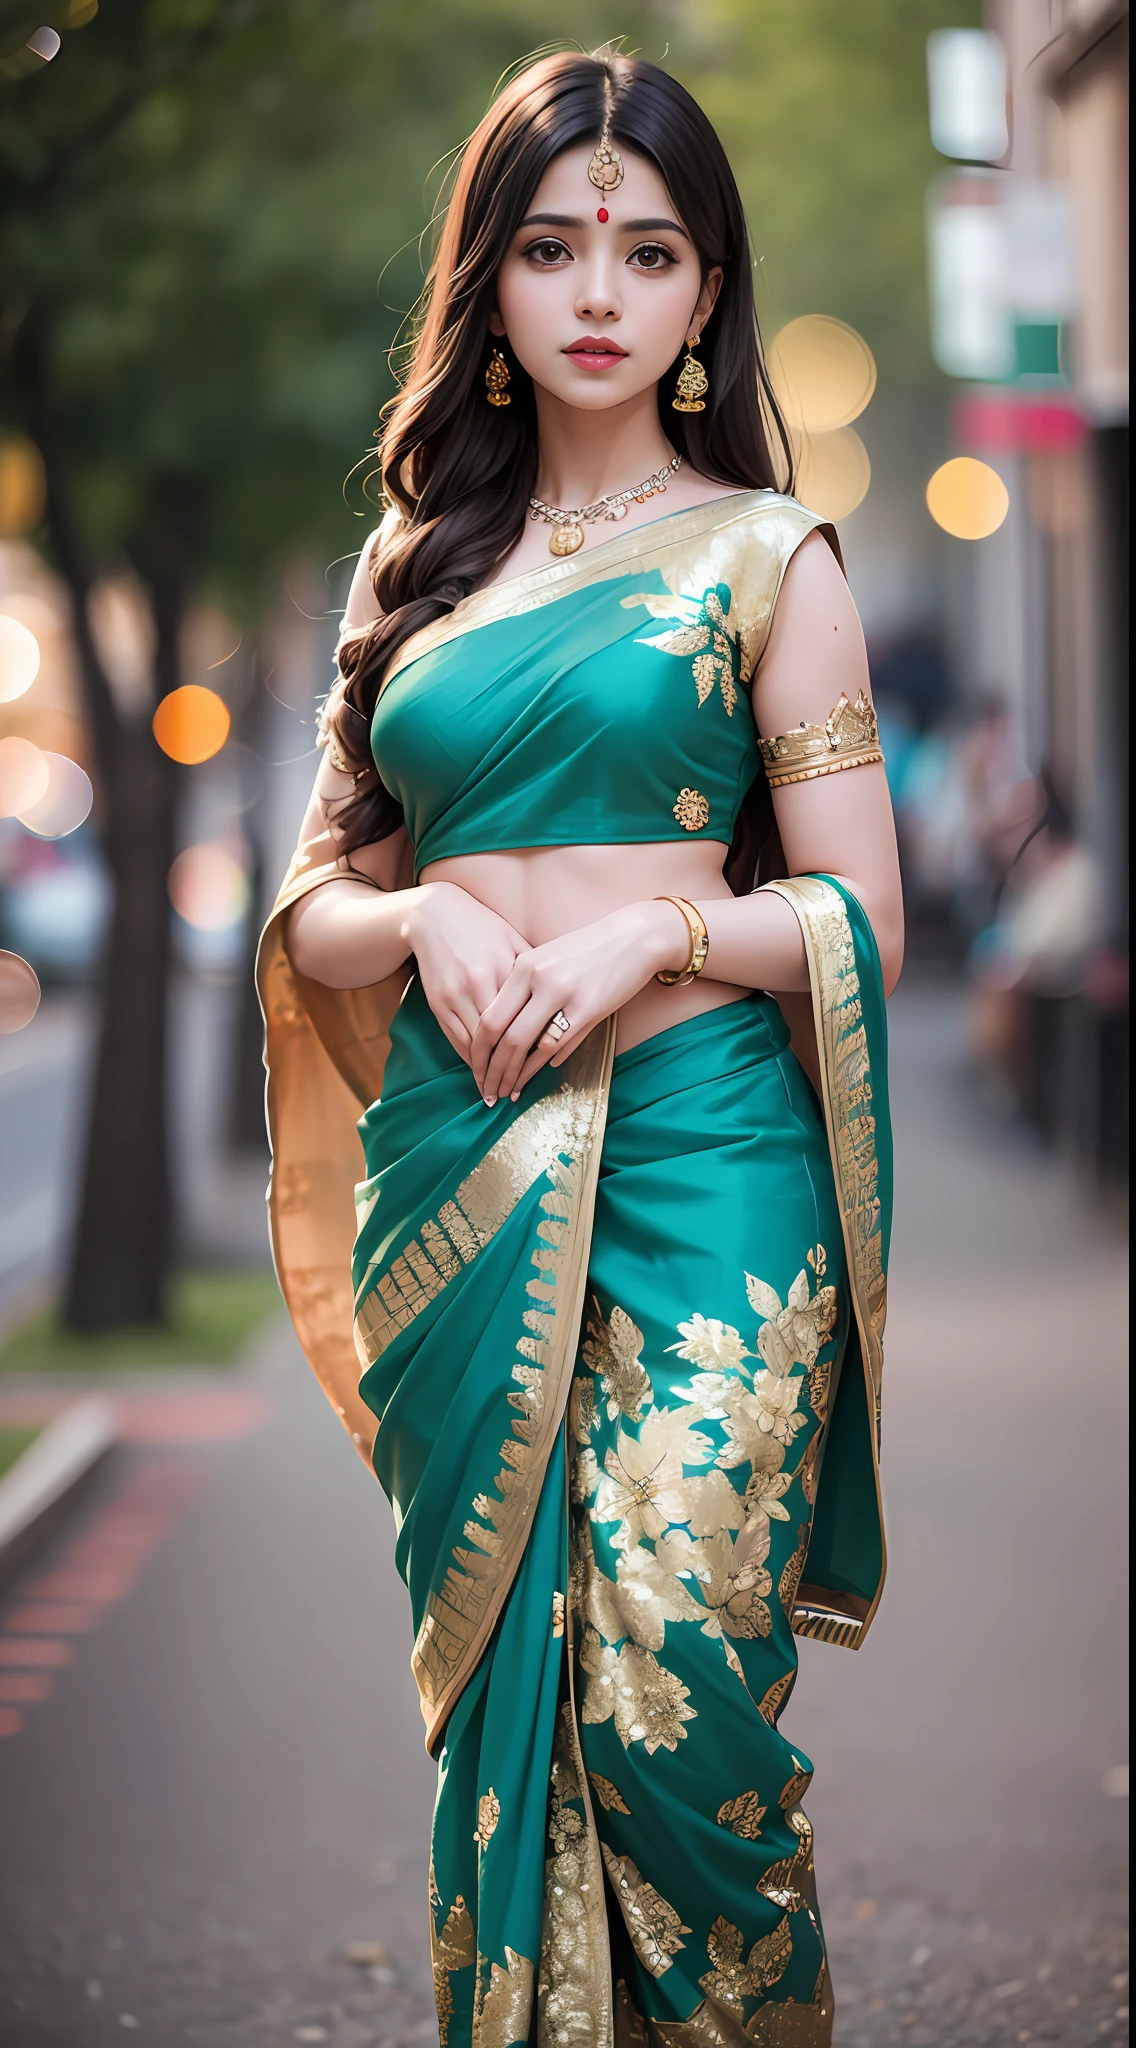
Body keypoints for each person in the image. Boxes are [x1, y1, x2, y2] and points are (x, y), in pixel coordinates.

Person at [257, 47, 903, 2047]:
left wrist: (652, 930)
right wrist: (432, 908)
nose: (597, 292)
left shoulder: (765, 562)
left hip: (707, 1165)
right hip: (464, 1165)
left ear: (706, 292)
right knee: (510, 1715)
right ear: (493, 283)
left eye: (647, 249)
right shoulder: (414, 572)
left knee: (678, 1708)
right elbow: (316, 905)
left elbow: (855, 914)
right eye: (550, 248)